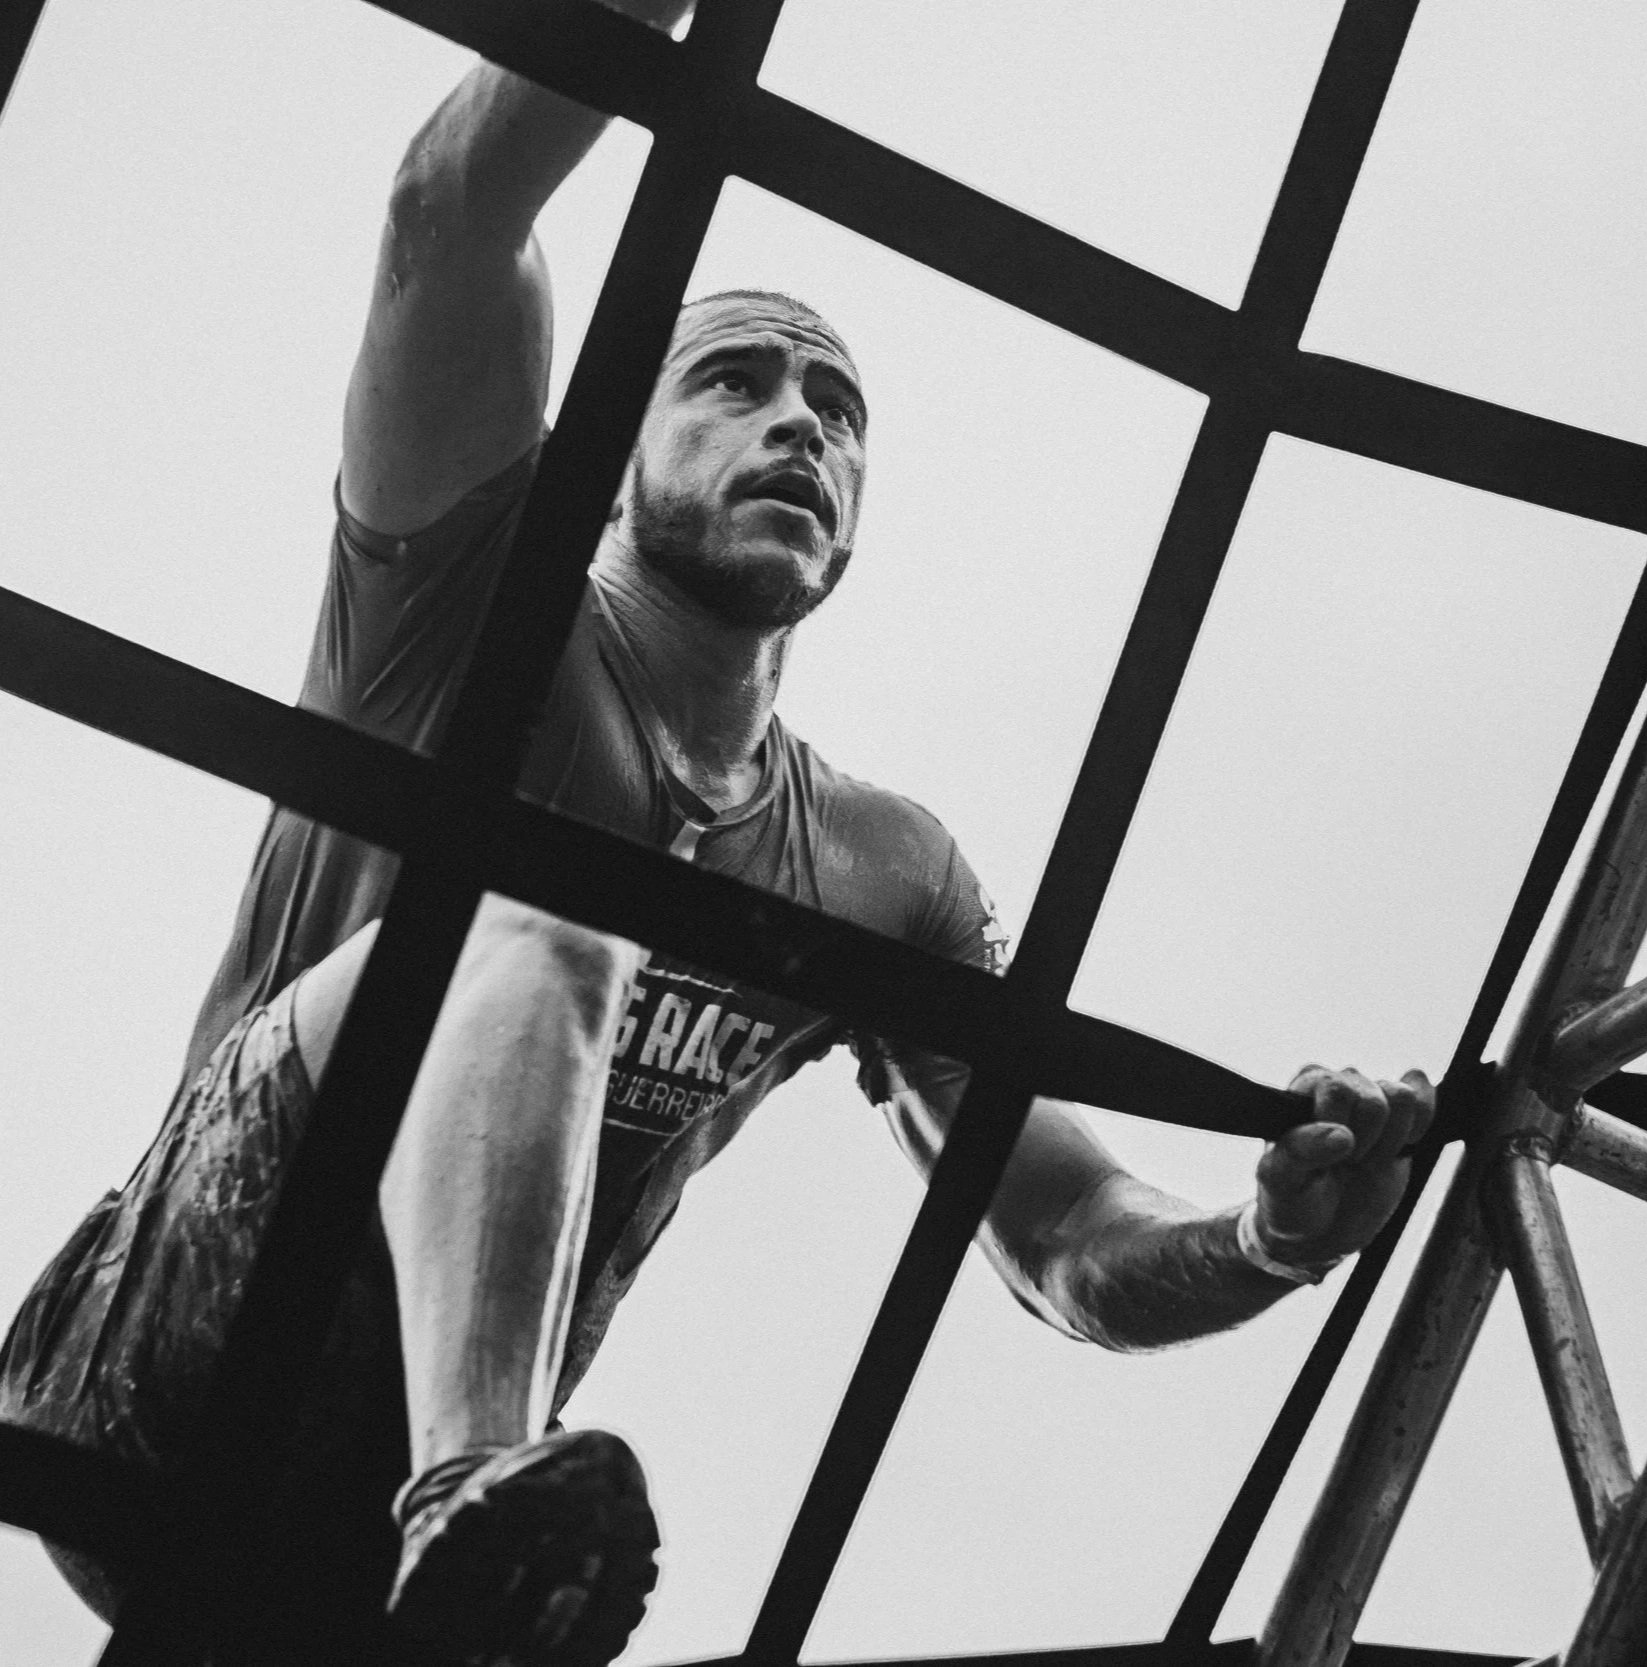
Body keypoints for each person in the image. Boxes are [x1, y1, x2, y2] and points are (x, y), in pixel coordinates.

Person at [0, 6, 1436, 1663]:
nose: (798, 425)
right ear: (612, 463)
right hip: (151, 1360)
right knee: (544, 913)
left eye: (836, 410)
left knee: (565, 940)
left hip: (371, 1542)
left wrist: (1267, 1243)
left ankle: (477, 1517)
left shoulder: (884, 868)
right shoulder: (477, 588)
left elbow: (1063, 1239)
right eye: (736, 383)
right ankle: (477, 1479)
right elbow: (450, 210)